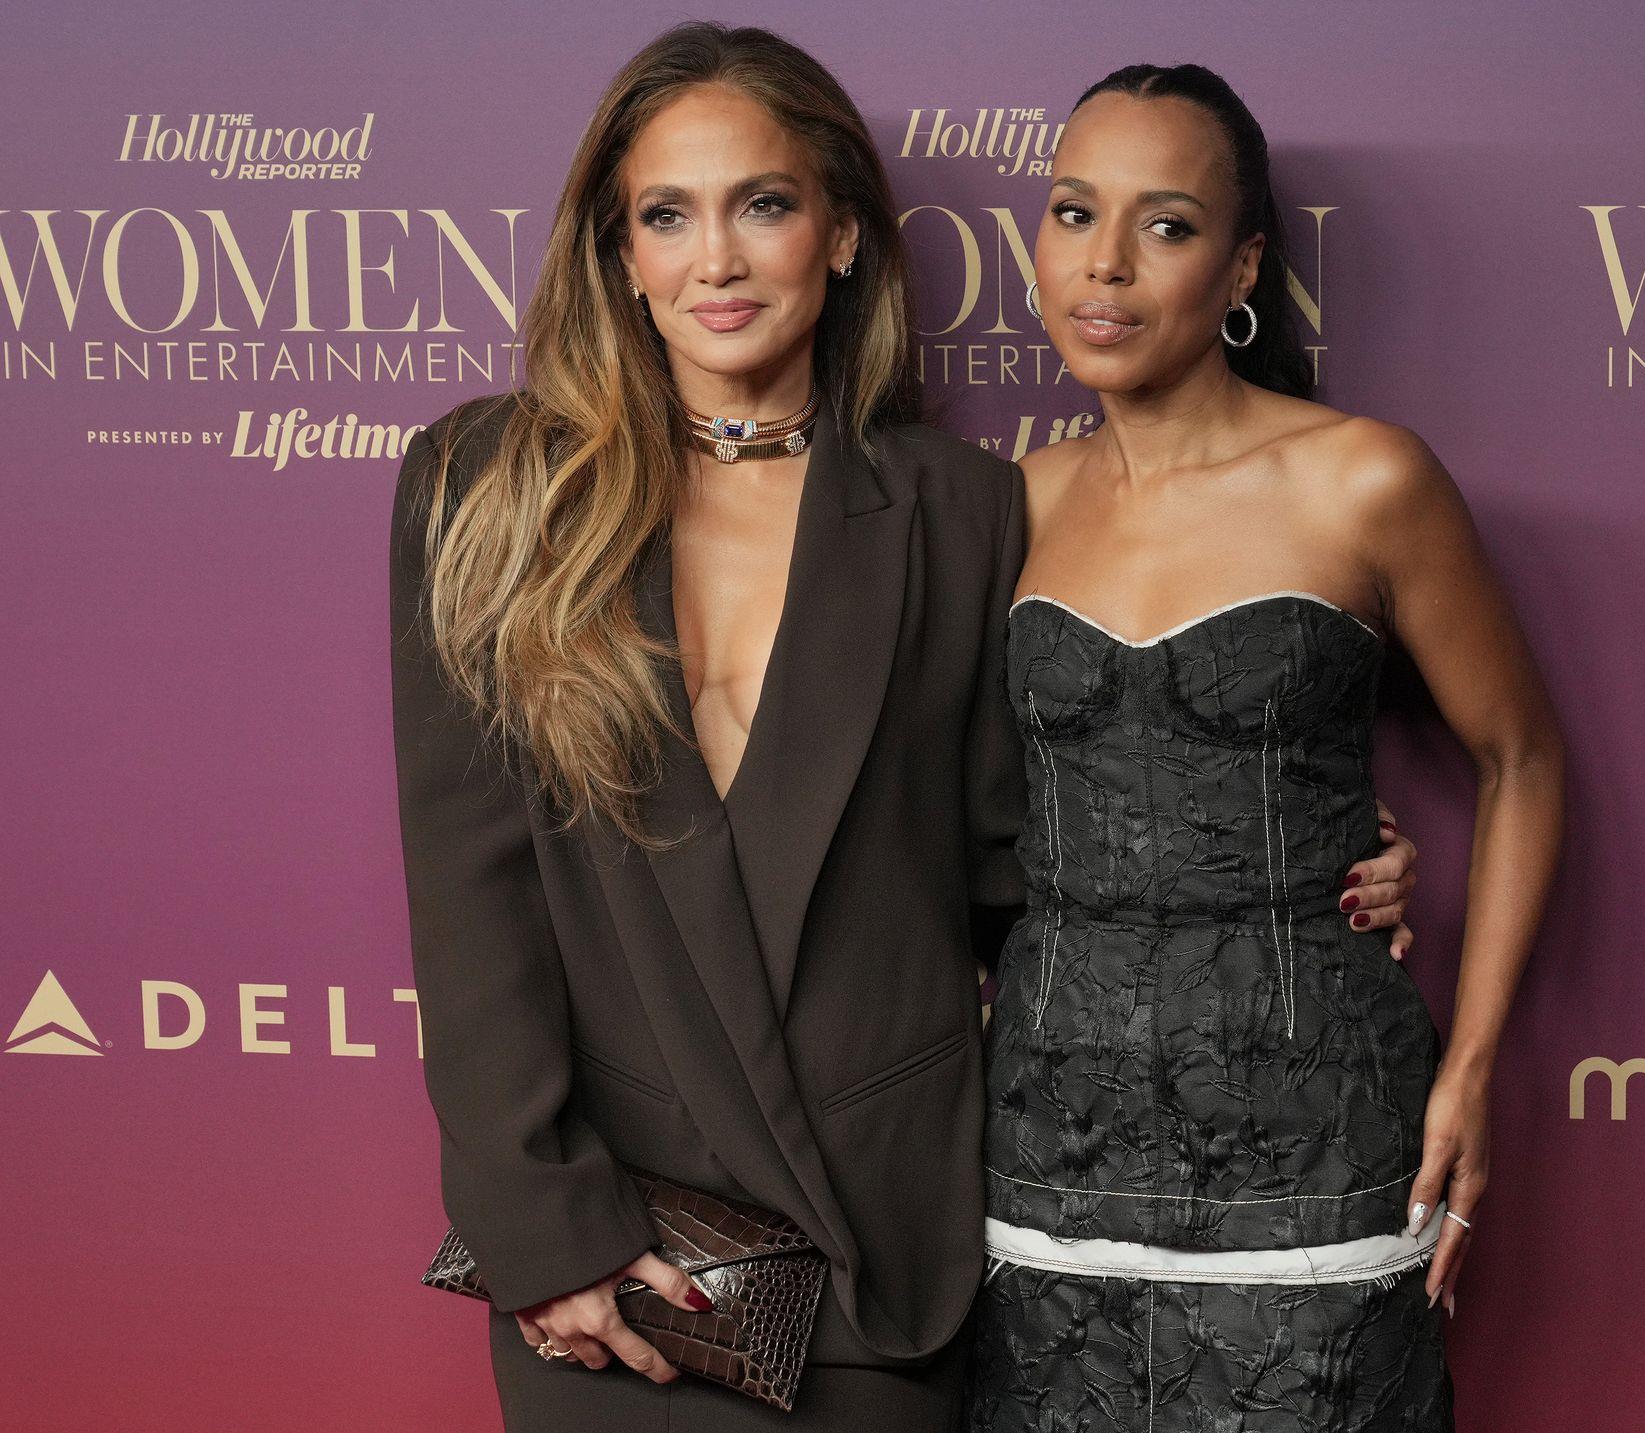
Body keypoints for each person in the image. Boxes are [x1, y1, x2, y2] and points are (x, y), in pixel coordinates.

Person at [389, 23, 1421, 1431]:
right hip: (619, 1264)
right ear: (618, 254)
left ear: (844, 236)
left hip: (877, 1253)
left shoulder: (956, 507)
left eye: (763, 204)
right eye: (667, 216)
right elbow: (470, 896)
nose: (716, 260)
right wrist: (541, 1229)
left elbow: (1024, 856)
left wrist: (1283, 859)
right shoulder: (489, 485)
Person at [966, 64, 1566, 1432]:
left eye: (1166, 224)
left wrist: (1472, 1069)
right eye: (1074, 212)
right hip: (1050, 1142)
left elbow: (1523, 758)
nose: (1105, 263)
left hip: (1319, 1141)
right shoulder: (1009, 505)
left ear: (1242, 267)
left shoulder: (1364, 479)